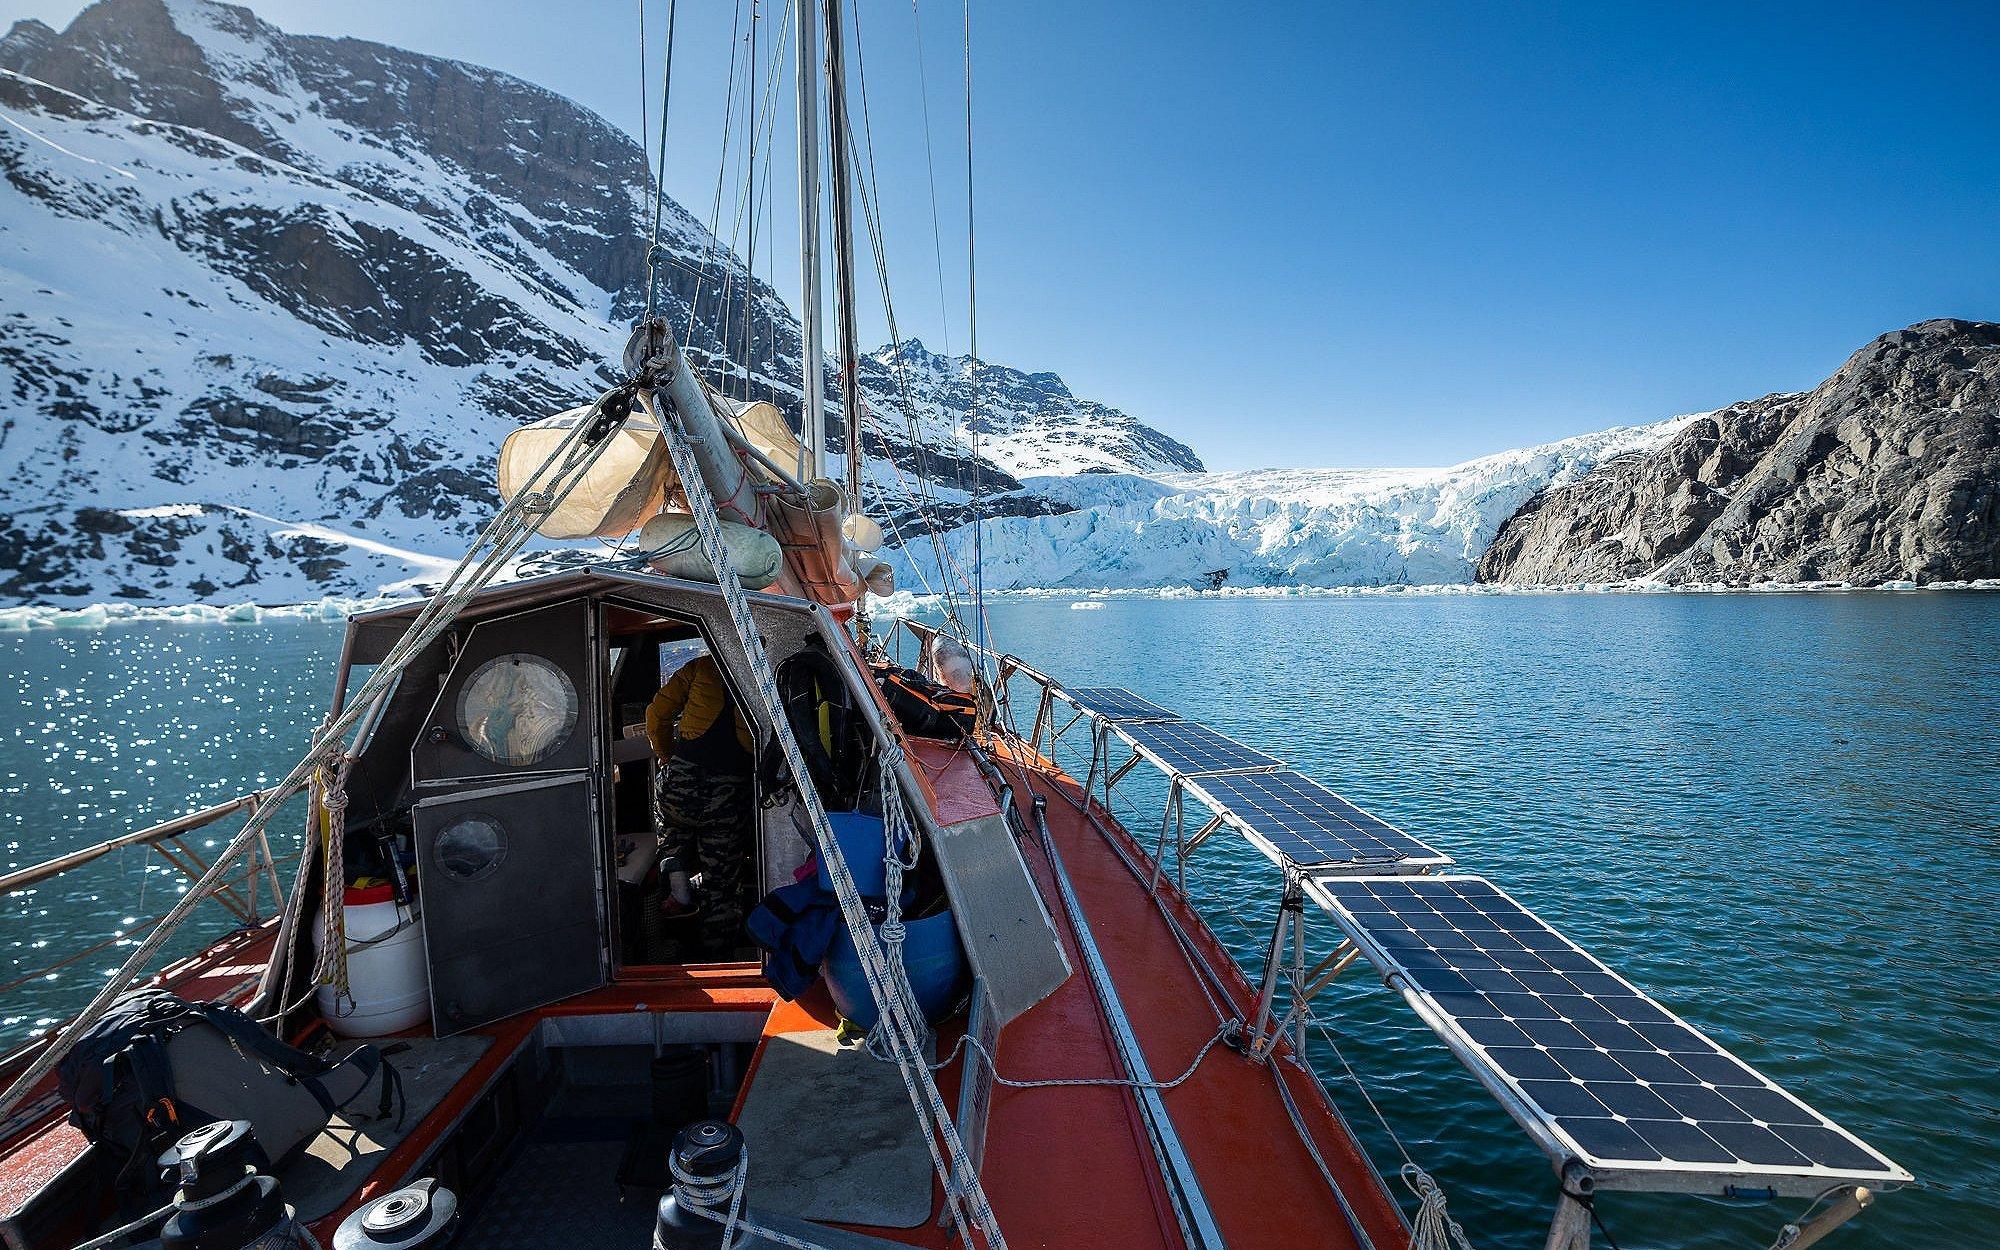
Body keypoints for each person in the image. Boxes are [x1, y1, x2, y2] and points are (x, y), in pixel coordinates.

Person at [646, 653, 755, 959]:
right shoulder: (765, 667)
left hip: (682, 781)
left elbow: (656, 715)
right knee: (722, 882)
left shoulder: (701, 667)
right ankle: (719, 957)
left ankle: (679, 887)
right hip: (729, 794)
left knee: (668, 819)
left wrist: (667, 756)